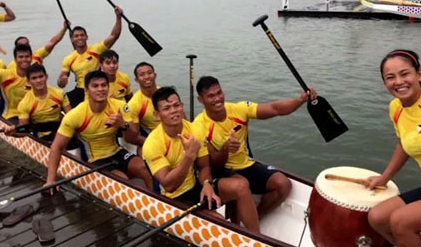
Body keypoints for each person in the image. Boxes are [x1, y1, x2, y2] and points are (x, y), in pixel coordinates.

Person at [193, 76, 316, 220]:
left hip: (245, 165)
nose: (217, 99)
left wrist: (300, 100)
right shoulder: (198, 126)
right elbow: (213, 164)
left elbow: (274, 109)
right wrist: (226, 148)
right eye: (211, 96)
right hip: (220, 170)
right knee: (238, 185)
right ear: (200, 100)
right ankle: (237, 224)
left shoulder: (239, 109)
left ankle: (255, 219)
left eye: (219, 93)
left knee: (283, 184)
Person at [142, 87, 261, 233]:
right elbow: (169, 185)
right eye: (166, 108)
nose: (174, 111)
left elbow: (204, 167)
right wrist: (188, 156)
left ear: (182, 107)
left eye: (176, 105)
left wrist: (207, 183)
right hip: (173, 198)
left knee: (241, 186)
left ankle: (256, 237)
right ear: (157, 115)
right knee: (219, 222)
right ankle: (232, 231)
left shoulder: (194, 130)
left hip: (195, 186)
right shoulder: (152, 144)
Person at [366, 50, 421, 246]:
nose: (399, 82)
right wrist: (384, 178)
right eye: (390, 77)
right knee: (378, 217)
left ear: (419, 74)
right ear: (384, 83)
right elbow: (404, 144)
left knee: (401, 221)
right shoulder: (396, 109)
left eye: (405, 73)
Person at [46, 70, 153, 191]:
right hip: (95, 160)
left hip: (117, 152)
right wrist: (51, 180)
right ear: (86, 90)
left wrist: (123, 125)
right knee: (123, 179)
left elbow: (133, 136)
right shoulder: (75, 115)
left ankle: (160, 201)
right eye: (95, 86)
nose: (100, 89)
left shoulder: (120, 106)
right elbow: (57, 147)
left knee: (145, 168)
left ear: (108, 87)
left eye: (104, 85)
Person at [57, 6, 123, 108]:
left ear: (87, 37)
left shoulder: (96, 49)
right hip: (80, 90)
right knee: (60, 101)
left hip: (97, 88)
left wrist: (118, 17)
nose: (80, 38)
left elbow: (114, 36)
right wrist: (61, 81)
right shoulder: (68, 59)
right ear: (72, 39)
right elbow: (61, 84)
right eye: (76, 36)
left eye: (82, 35)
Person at [11, 64, 71, 140]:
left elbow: (70, 116)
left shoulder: (59, 94)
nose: (38, 81)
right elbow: (24, 130)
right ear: (28, 81)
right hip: (40, 134)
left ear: (46, 77)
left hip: (59, 131)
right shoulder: (24, 103)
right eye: (34, 78)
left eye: (41, 77)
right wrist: (12, 133)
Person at [124, 62, 161, 155]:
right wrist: (154, 145)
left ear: (155, 75)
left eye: (149, 73)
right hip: (157, 139)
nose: (147, 77)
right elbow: (132, 137)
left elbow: (182, 118)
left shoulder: (165, 93)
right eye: (142, 75)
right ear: (136, 80)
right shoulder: (134, 104)